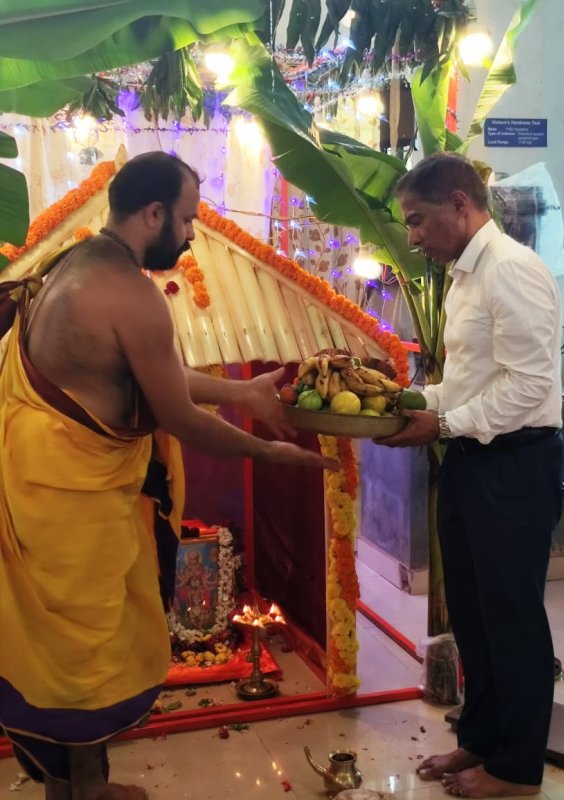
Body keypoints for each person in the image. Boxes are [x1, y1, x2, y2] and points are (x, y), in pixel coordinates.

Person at [0, 151, 337, 800]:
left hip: (43, 493)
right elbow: (176, 415)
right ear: (152, 213)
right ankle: (81, 792)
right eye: (184, 220)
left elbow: (141, 375)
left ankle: (76, 789)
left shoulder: (70, 265)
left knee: (69, 648)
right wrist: (269, 451)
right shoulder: (131, 294)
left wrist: (244, 396)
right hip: (73, 510)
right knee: (85, 654)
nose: (187, 236)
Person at [376, 153, 564, 798]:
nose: (413, 236)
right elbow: (462, 385)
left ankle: (517, 770)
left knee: (511, 617)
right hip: (473, 460)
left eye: (419, 220)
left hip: (516, 464)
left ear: (461, 204)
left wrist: (444, 425)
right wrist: (408, 403)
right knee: (476, 618)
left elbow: (529, 387)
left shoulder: (512, 271)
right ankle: (481, 740)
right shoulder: (462, 275)